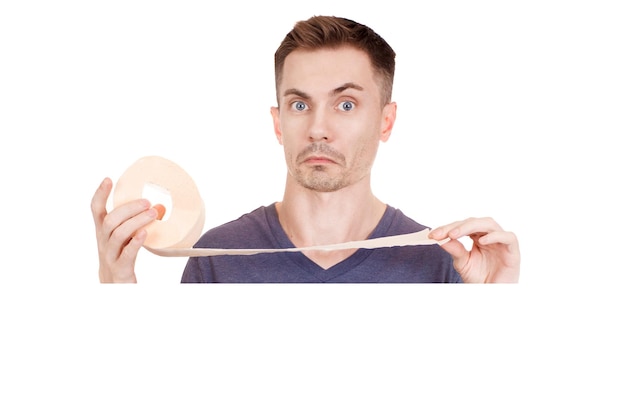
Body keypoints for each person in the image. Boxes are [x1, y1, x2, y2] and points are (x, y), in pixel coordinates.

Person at [91, 15, 520, 283]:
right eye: (299, 104)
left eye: (346, 104)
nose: (318, 128)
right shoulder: (218, 260)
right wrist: (117, 292)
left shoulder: (438, 264)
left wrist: (496, 312)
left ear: (386, 121)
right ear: (279, 123)